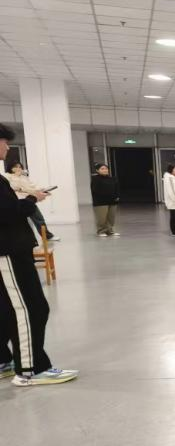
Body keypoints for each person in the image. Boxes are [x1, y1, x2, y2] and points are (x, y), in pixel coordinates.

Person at [0, 123, 78, 386]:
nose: (7, 147)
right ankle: (30, 370)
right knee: (30, 308)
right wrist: (32, 200)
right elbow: (7, 213)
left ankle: (3, 360)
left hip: (13, 250)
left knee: (7, 309)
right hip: (7, 253)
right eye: (4, 142)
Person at [5, 162, 59, 242]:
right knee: (19, 223)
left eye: (20, 167)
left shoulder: (24, 177)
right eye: (16, 167)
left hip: (28, 200)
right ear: (11, 168)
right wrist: (17, 177)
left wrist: (41, 190)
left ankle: (47, 236)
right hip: (17, 202)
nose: (18, 169)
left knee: (39, 219)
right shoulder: (7, 176)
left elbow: (32, 187)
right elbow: (14, 187)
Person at [91, 163, 120, 237]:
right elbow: (95, 190)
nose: (105, 170)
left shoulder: (112, 178)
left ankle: (110, 231)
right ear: (97, 170)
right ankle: (101, 231)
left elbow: (116, 189)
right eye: (102, 169)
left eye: (106, 168)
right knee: (102, 218)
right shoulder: (95, 179)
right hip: (101, 202)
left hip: (112, 201)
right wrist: (106, 195)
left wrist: (117, 196)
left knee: (111, 217)